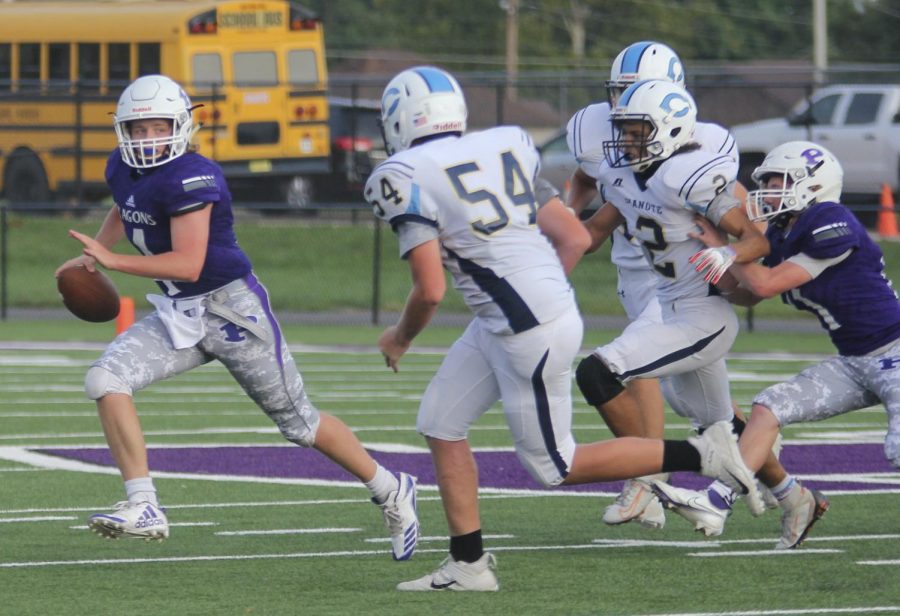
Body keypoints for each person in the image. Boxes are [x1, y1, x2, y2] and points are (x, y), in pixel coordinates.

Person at [366, 65, 761, 592]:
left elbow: (431, 289)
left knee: (556, 466)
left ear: (399, 120)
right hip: (519, 313)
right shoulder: (503, 146)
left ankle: (705, 453)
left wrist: (400, 337)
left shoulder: (401, 173)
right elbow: (573, 237)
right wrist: (540, 289)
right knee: (440, 421)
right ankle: (468, 565)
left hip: (524, 325)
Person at [53, 74, 420, 561]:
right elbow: (127, 210)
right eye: (137, 129)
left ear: (182, 125)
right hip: (179, 312)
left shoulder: (193, 175)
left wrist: (116, 261)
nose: (146, 139)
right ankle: (144, 505)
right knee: (105, 378)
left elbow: (188, 262)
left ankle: (390, 488)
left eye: (157, 126)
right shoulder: (120, 166)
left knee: (300, 425)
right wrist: (98, 254)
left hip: (233, 312)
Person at [657, 141, 900, 548]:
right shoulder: (784, 232)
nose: (769, 191)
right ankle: (716, 502)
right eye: (767, 182)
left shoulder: (830, 220)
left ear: (813, 184)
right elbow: (745, 293)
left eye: (778, 182)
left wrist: (728, 249)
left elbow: (765, 284)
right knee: (770, 405)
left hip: (895, 352)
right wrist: (712, 262)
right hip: (854, 362)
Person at [564, 41, 752, 529]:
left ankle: (645, 479)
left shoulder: (702, 150)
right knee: (707, 411)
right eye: (619, 94)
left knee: (627, 366)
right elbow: (589, 187)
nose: (622, 110)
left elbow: (743, 216)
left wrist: (739, 256)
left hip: (682, 280)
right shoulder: (604, 138)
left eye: (636, 97)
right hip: (637, 270)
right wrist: (562, 218)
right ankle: (781, 481)